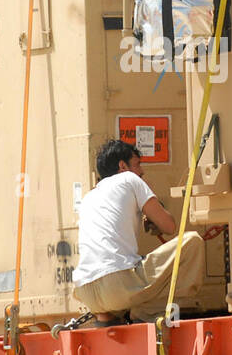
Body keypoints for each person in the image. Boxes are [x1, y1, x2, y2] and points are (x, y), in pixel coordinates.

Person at [72, 139, 205, 324]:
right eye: (137, 164)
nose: (141, 171)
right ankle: (145, 314)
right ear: (122, 165)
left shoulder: (89, 197)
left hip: (86, 291)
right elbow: (169, 226)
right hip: (116, 285)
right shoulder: (129, 179)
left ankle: (107, 321)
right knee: (192, 242)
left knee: (122, 274)